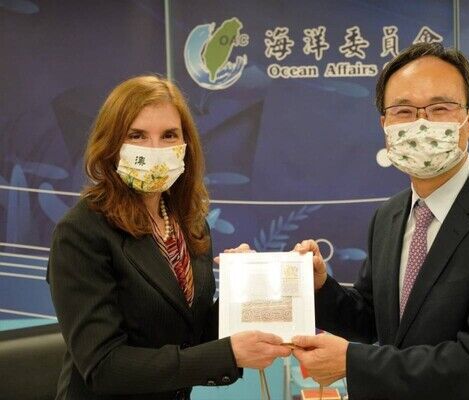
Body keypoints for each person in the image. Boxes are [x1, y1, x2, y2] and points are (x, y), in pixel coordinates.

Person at [290, 43, 469, 399]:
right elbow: (376, 319)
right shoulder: (389, 216)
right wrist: (321, 288)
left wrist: (353, 364)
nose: (420, 123)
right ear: (386, 125)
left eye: (439, 108)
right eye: (403, 111)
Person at [47, 75, 291, 400]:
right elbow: (105, 366)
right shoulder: (81, 233)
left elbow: (192, 335)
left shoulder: (190, 225)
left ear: (185, 146)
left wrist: (240, 289)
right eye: (137, 135)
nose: (155, 150)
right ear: (111, 145)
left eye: (168, 136)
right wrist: (228, 354)